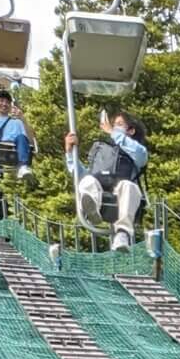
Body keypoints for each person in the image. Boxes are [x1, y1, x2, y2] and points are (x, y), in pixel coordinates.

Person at [65, 106, 148, 251]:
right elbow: (80, 174)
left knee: (129, 186)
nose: (114, 127)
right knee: (87, 181)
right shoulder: (102, 150)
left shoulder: (137, 153)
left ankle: (122, 233)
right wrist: (70, 152)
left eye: (119, 124)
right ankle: (92, 209)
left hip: (120, 197)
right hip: (101, 194)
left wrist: (112, 132)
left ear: (131, 130)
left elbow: (139, 152)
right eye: (113, 125)